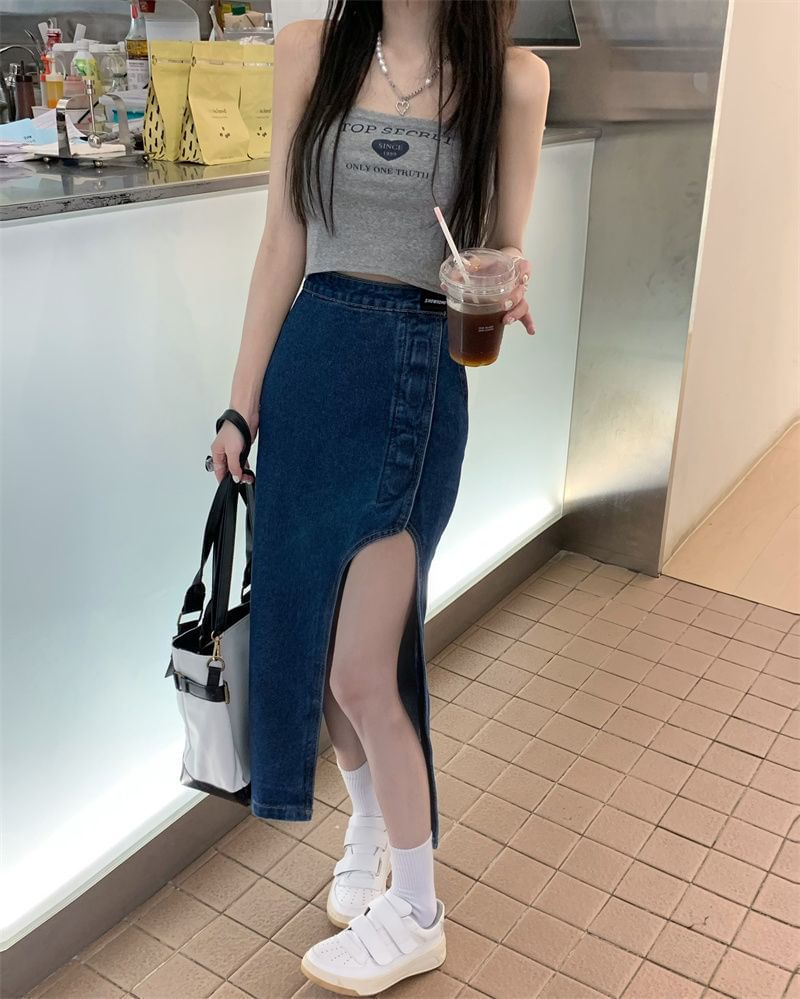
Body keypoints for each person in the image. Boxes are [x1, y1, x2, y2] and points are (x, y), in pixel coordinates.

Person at [208, 0, 549, 992]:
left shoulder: (512, 79)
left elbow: (499, 246)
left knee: (367, 665)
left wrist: (504, 277)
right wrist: (240, 407)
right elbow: (282, 239)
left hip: (417, 376)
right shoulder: (308, 50)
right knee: (320, 648)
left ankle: (415, 909)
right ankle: (365, 820)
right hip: (311, 364)